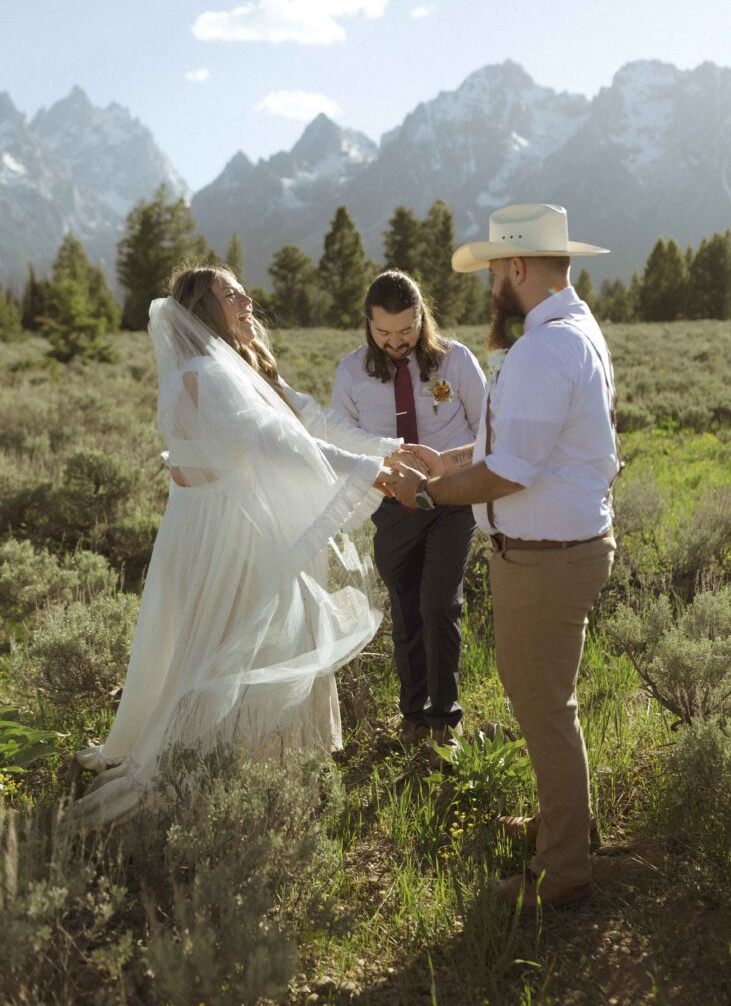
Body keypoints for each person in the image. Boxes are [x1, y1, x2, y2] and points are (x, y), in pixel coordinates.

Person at [73, 264, 406, 826]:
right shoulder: (208, 371)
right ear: (204, 311)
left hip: (214, 526)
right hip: (227, 532)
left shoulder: (227, 367)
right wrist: (372, 470)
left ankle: (259, 766)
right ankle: (227, 771)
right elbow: (273, 442)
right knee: (240, 645)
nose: (248, 299)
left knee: (227, 642)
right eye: (231, 295)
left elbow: (307, 424)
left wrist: (389, 453)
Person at [388, 205, 620, 908]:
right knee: (552, 706)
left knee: (544, 712)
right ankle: (564, 829)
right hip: (558, 550)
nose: (492, 283)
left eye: (495, 269)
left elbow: (510, 472)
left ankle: (562, 873)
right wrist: (451, 458)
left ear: (516, 268)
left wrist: (430, 495)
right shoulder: (566, 334)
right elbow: (510, 448)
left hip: (545, 559)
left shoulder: (544, 349)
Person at [331, 270, 486, 750]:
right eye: (384, 333)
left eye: (406, 330)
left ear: (423, 319)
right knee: (406, 609)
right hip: (391, 507)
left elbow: (491, 432)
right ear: (368, 325)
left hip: (451, 500)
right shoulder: (351, 373)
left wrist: (447, 469)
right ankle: (413, 714)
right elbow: (339, 444)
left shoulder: (456, 361)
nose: (396, 342)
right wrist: (387, 480)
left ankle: (446, 720)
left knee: (439, 603)